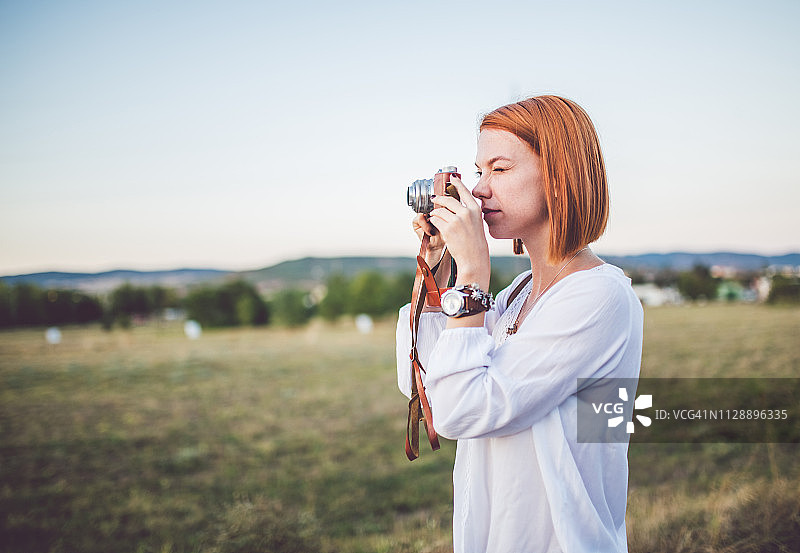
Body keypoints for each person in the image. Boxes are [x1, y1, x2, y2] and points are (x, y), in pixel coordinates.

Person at [396, 95, 643, 553]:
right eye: (478, 171)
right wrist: (439, 271)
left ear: (559, 175)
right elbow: (431, 385)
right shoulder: (515, 296)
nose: (480, 190)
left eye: (500, 169)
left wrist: (471, 276)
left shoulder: (600, 297)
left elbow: (459, 412)